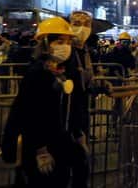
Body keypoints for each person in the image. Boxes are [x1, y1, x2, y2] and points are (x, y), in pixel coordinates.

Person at [5, 17, 86, 188]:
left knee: (67, 174)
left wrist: (78, 134)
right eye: (59, 41)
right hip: (40, 146)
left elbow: (70, 107)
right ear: (45, 43)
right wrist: (40, 150)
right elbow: (28, 113)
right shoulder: (36, 74)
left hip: (61, 139)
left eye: (68, 41)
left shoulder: (64, 72)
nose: (65, 46)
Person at [66, 10, 94, 188]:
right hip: (67, 121)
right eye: (77, 24)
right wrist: (77, 131)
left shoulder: (84, 51)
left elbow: (85, 82)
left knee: (81, 168)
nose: (82, 29)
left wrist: (99, 85)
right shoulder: (65, 54)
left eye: (86, 25)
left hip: (80, 115)